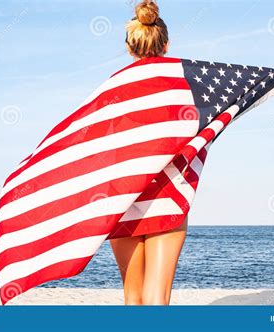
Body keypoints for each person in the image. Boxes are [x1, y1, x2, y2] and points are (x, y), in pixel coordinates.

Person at [109, 0, 187, 306]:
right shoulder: (184, 83)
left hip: (122, 194)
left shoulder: (113, 87)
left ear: (130, 48)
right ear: (166, 45)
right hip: (166, 191)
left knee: (133, 296)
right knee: (157, 297)